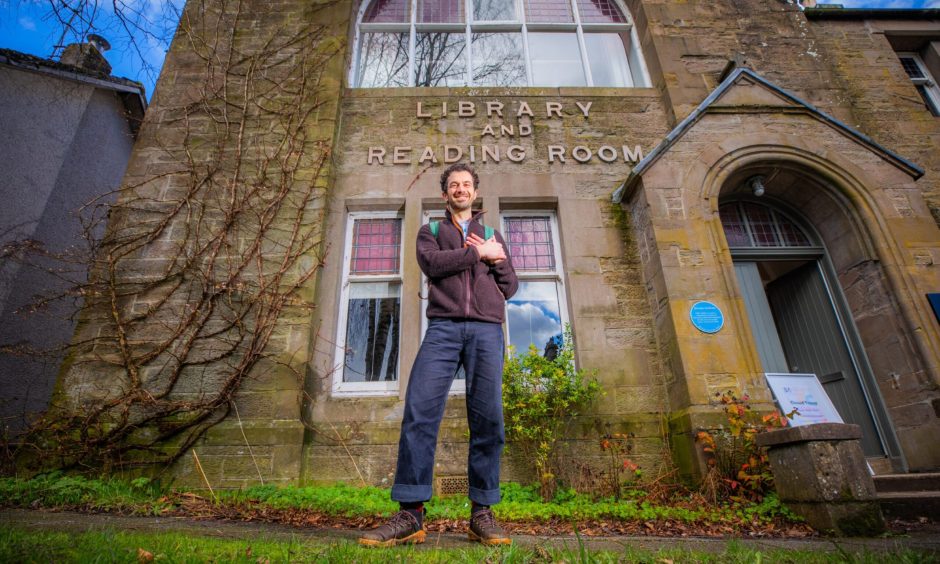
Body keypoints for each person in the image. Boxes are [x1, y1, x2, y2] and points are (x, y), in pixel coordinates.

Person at [359, 162, 519, 547]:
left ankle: (482, 512)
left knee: (489, 420)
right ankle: (410, 515)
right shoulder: (430, 231)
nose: (461, 189)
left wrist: (496, 257)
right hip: (443, 329)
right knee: (419, 410)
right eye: (453, 185)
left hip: (485, 331)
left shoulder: (493, 234)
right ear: (445, 194)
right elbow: (432, 265)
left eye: (466, 184)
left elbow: (510, 287)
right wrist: (478, 256)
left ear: (475, 193)